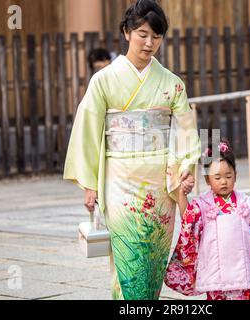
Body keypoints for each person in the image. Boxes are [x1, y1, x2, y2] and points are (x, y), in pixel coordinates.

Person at [63, 0, 200, 300]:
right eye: (142, 34)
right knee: (127, 258)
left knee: (153, 258)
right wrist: (89, 183)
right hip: (119, 182)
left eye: (156, 36)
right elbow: (88, 128)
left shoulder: (172, 84)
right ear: (126, 32)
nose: (149, 43)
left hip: (160, 184)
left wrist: (186, 167)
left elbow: (186, 130)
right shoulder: (104, 81)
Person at [164, 139, 250, 300]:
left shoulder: (245, 203)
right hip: (214, 269)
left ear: (235, 176)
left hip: (242, 269)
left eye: (228, 176)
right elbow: (188, 220)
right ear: (207, 180)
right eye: (217, 177)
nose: (223, 181)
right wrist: (182, 194)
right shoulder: (203, 205)